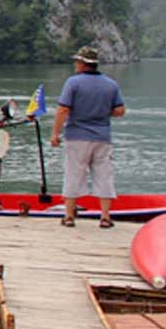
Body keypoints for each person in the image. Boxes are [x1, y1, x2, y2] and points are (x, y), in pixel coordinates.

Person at [50, 45, 126, 228]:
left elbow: (63, 109)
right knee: (104, 175)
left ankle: (69, 216)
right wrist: (102, 112)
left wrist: (55, 133)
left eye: (77, 61)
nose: (75, 64)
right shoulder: (111, 84)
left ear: (83, 64)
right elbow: (120, 111)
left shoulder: (73, 83)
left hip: (77, 136)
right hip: (102, 137)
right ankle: (105, 217)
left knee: (74, 173)